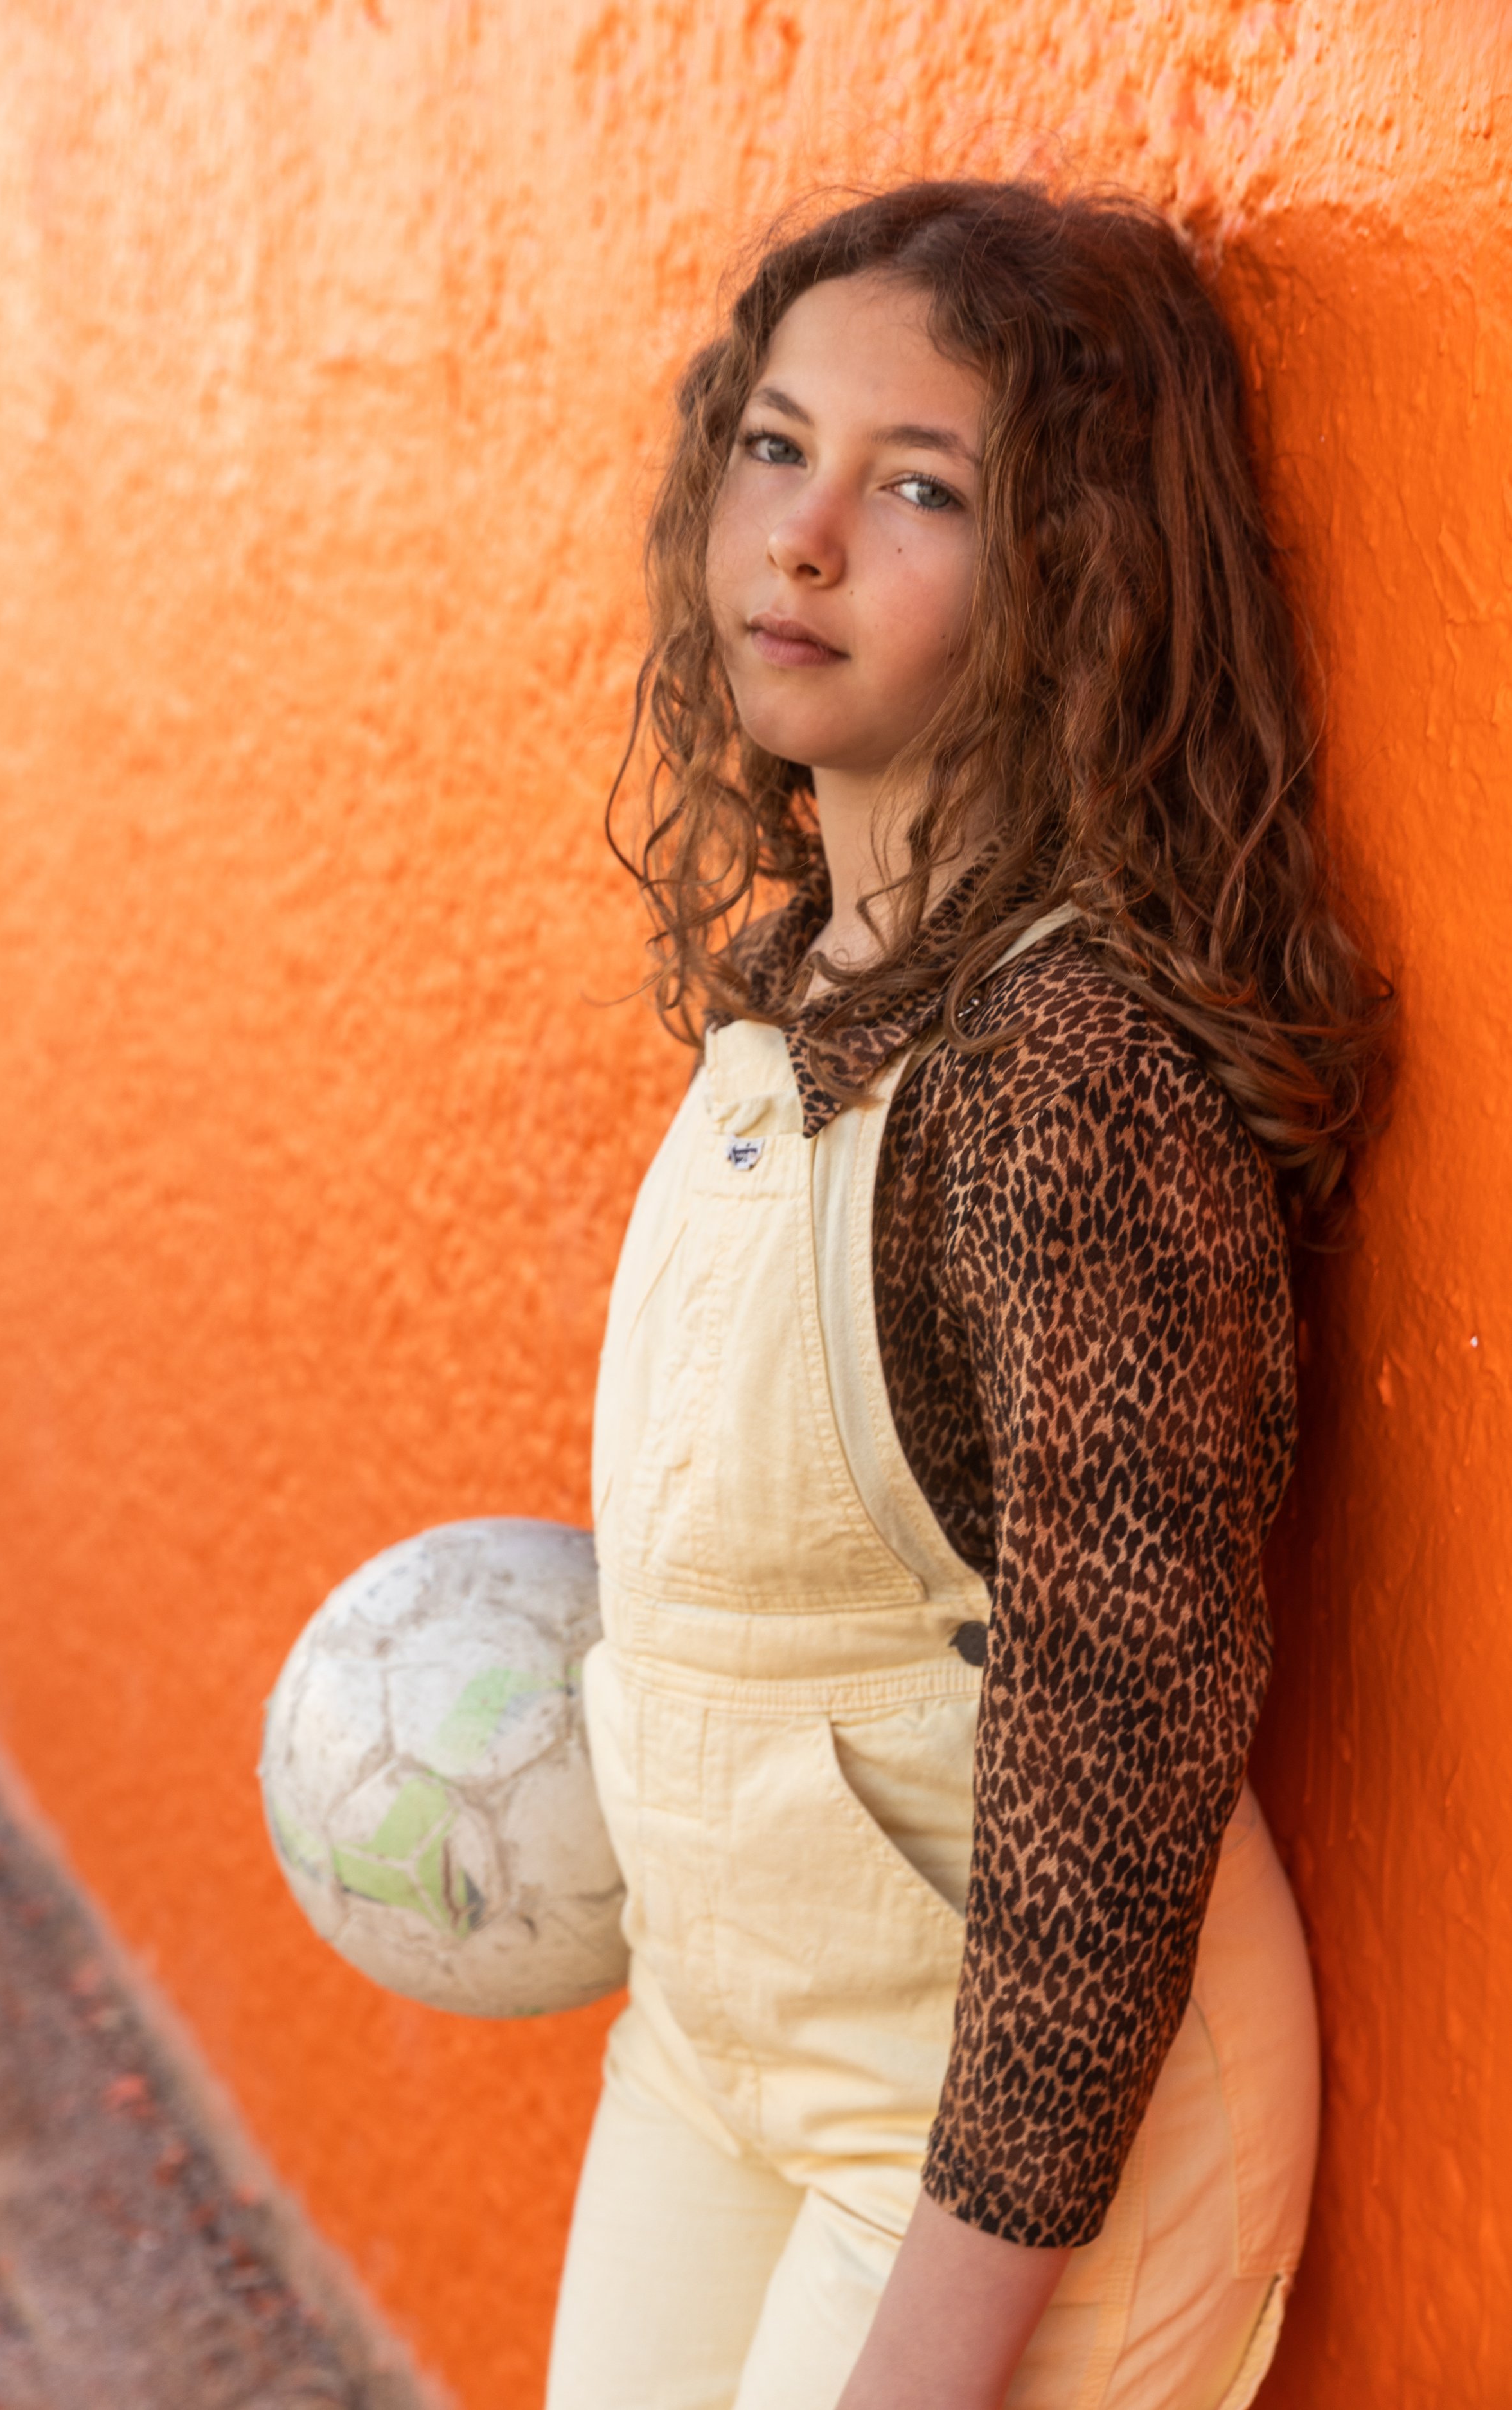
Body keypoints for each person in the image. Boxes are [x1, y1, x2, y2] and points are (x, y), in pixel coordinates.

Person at [546, 180, 1387, 2410]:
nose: (802, 538)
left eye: (917, 487)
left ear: (1074, 581)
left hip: (1010, 2161)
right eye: (773, 447)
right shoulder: (793, 990)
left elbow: (1120, 1757)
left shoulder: (1066, 1082)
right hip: (718, 2052)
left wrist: (925, 2369)